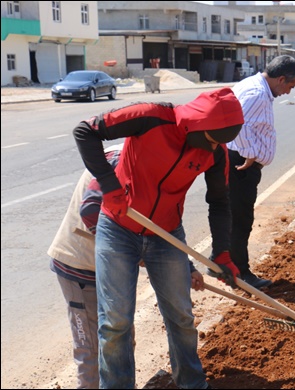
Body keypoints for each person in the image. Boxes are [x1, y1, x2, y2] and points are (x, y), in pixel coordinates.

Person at [72, 87, 244, 389]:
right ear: (197, 124)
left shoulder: (216, 153)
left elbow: (219, 201)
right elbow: (85, 131)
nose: (215, 148)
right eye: (213, 139)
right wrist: (111, 187)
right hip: (118, 228)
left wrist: (222, 253)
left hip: (166, 234)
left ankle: (192, 383)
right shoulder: (151, 117)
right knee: (116, 322)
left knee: (181, 316)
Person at [48, 145, 205, 389]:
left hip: (112, 271)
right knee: (92, 351)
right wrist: (129, 249)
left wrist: (186, 265)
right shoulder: (122, 159)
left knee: (120, 340)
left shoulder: (159, 169)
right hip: (81, 267)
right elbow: (90, 210)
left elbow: (162, 224)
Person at [226, 55, 295, 289]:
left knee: (230, 218)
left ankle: (221, 264)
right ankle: (240, 273)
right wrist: (250, 154)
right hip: (241, 165)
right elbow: (241, 125)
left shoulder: (252, 85)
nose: (289, 92)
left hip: (236, 162)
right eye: (290, 86)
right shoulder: (258, 93)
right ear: (281, 79)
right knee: (240, 220)